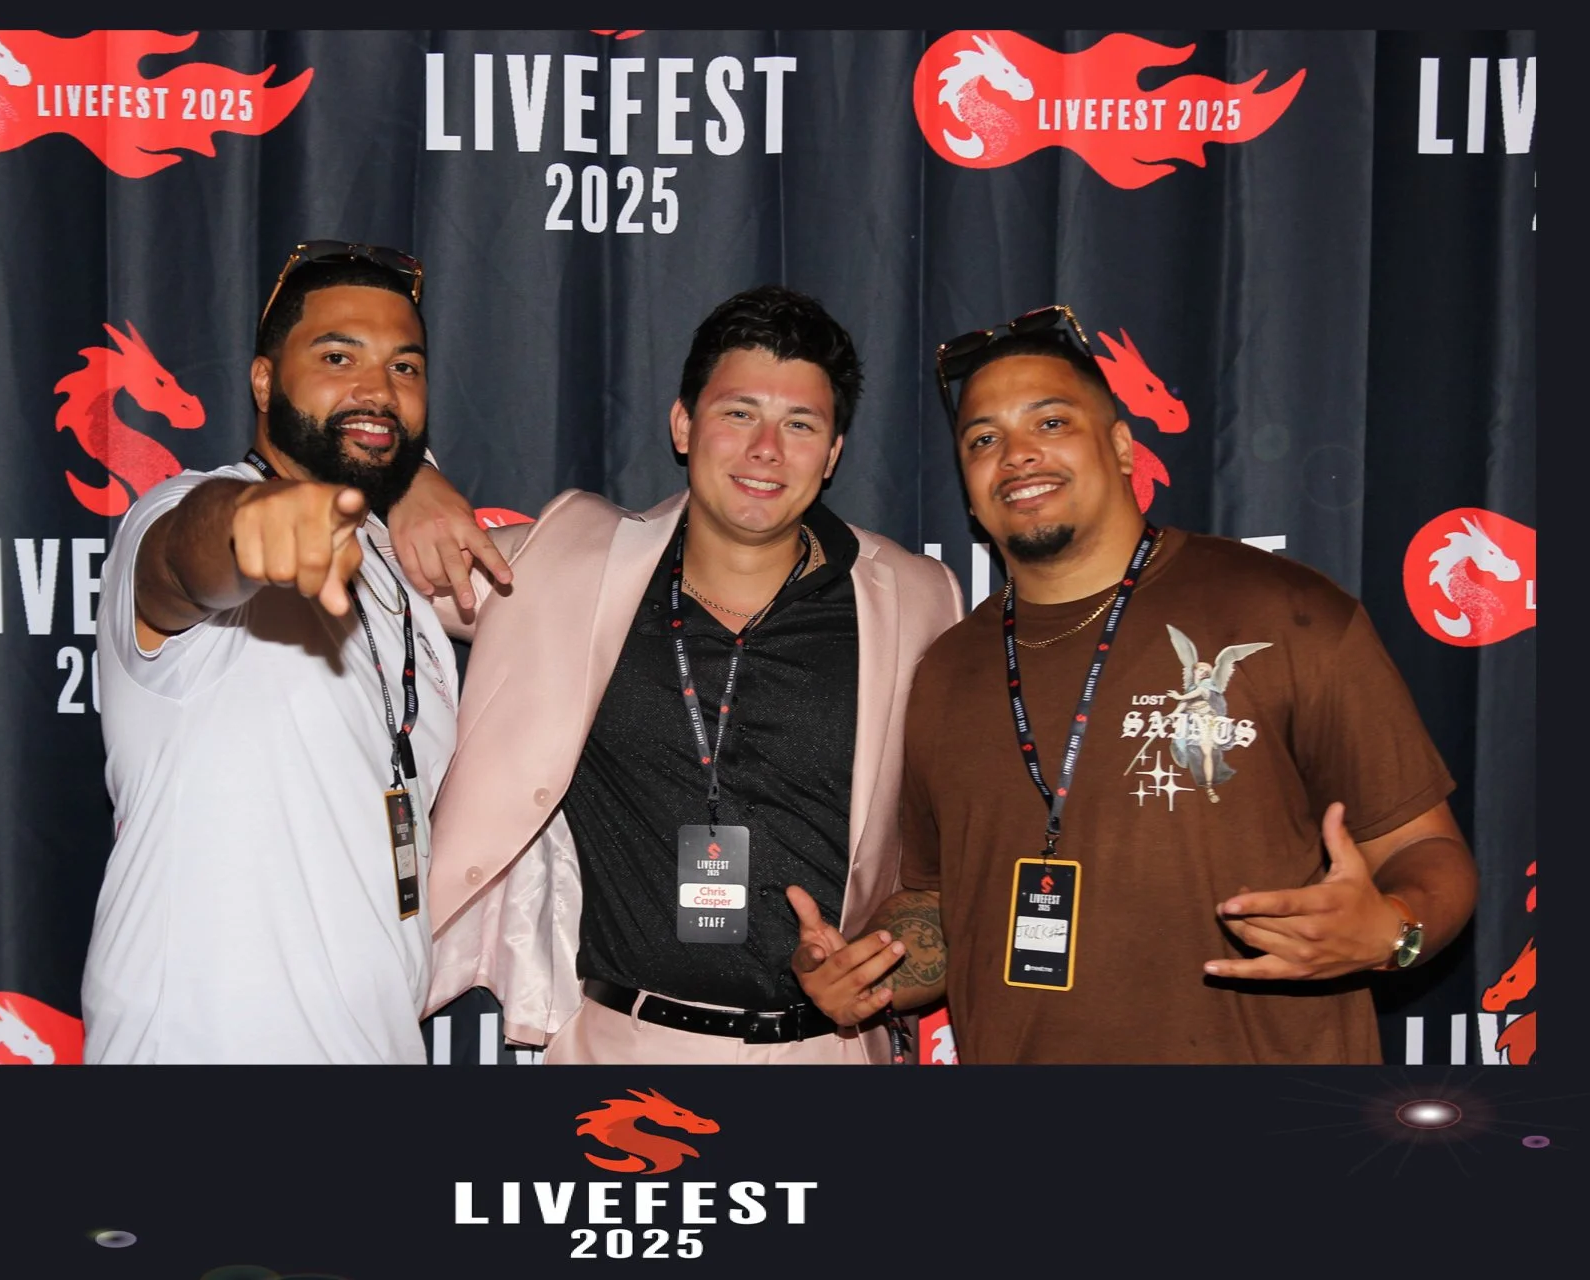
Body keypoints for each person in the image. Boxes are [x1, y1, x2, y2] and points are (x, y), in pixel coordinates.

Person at [789, 305, 1479, 1064]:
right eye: (983, 439)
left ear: (1121, 446)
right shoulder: (947, 670)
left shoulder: (1285, 611)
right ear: (969, 484)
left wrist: (1391, 930)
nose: (1016, 454)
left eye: (1051, 422)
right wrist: (868, 970)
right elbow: (947, 906)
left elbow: (1425, 848)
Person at [401, 285, 965, 1064]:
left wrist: (876, 970)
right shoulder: (572, 560)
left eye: (799, 424)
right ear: (682, 424)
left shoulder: (917, 599)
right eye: (738, 413)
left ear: (833, 453)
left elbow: (947, 859)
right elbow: (372, 568)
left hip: (825, 1048)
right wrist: (408, 483)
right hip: (618, 1046)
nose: (765, 449)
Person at [81, 241, 507, 1064]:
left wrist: (415, 478)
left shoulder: (397, 565)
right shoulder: (176, 509)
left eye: (404, 367)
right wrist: (250, 525)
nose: (377, 389)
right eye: (337, 357)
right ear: (264, 381)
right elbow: (186, 556)